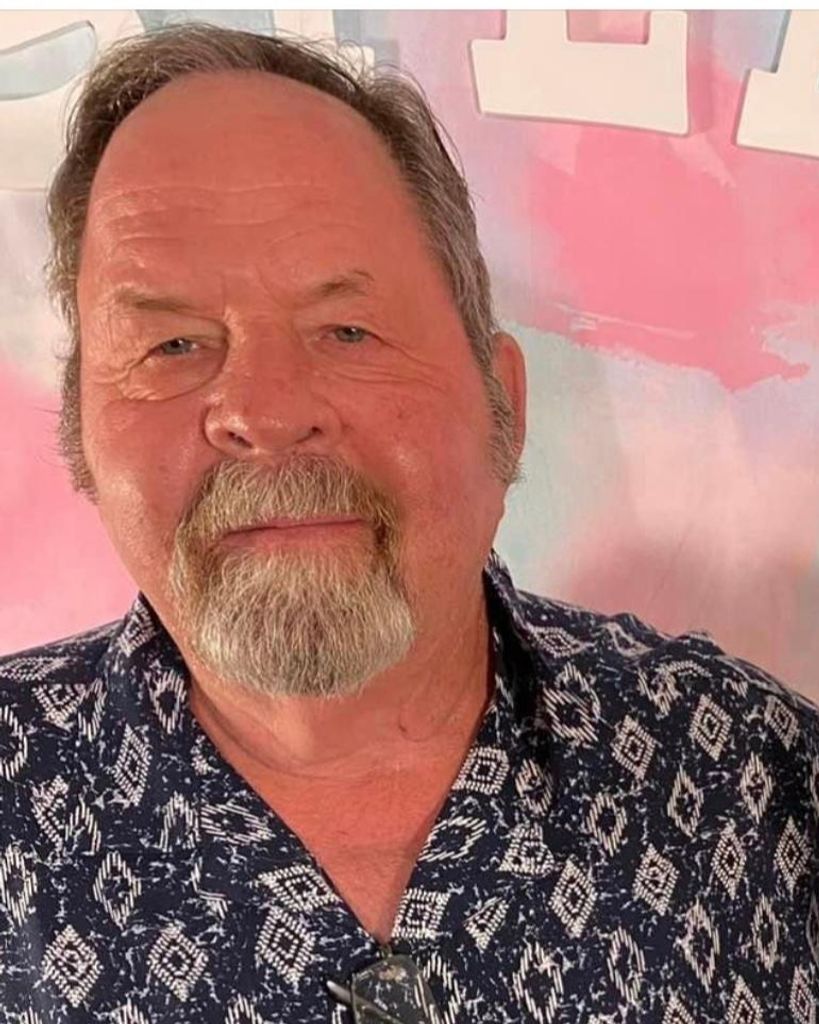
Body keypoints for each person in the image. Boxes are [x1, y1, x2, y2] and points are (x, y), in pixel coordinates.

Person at [0, 22, 816, 1024]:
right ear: (82, 434)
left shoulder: (752, 774)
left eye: (347, 330)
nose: (265, 410)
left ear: (502, 402)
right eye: (172, 345)